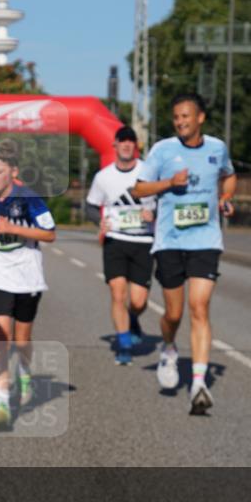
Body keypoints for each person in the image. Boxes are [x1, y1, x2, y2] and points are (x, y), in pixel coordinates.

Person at [132, 93, 236, 415]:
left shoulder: (217, 148)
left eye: (186, 116)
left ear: (200, 117)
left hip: (205, 238)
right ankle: (169, 348)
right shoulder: (163, 150)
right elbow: (139, 188)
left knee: (199, 307)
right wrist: (167, 183)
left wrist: (225, 198)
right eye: (176, 117)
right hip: (170, 240)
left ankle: (198, 383)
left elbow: (229, 176)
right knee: (174, 314)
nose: (180, 122)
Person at [0, 151, 56, 429]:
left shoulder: (29, 198)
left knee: (22, 340)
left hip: (28, 277)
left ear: (13, 172)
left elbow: (50, 234)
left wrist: (16, 230)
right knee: (1, 336)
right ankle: (1, 401)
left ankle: (24, 371)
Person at [86, 126, 156, 365]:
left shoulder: (149, 171)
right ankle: (124, 344)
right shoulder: (103, 177)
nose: (126, 145)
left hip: (144, 240)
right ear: (114, 145)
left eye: (130, 142)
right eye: (122, 141)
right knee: (118, 294)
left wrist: (153, 213)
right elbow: (91, 206)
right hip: (116, 240)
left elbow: (164, 200)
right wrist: (100, 221)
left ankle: (133, 319)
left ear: (135, 146)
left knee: (138, 301)